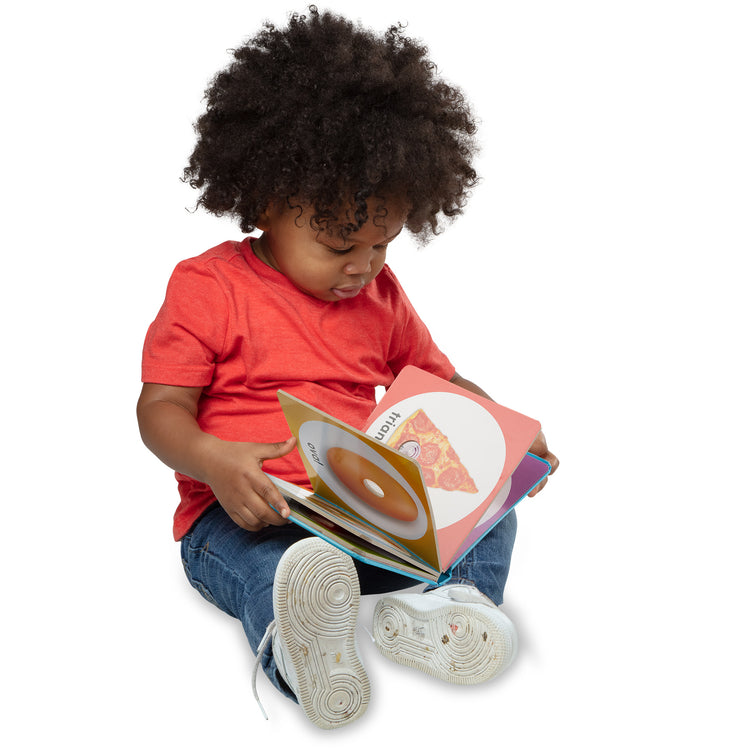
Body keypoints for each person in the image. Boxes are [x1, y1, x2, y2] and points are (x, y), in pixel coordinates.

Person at [137, 6, 558, 730]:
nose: (363, 267)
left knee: (491, 517)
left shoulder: (380, 297)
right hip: (247, 516)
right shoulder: (208, 288)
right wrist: (214, 459)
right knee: (272, 573)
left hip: (367, 522)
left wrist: (504, 434)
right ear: (270, 201)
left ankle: (444, 616)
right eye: (340, 247)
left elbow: (441, 384)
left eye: (383, 245)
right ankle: (306, 660)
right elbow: (159, 409)